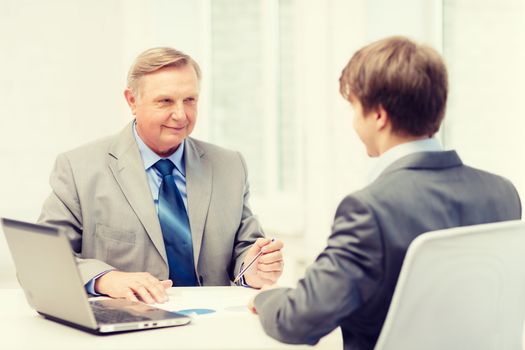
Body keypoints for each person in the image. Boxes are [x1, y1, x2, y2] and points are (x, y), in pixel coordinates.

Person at [249, 36, 521, 350]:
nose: (353, 123)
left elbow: (298, 320)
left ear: (378, 115)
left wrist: (266, 297)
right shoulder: (502, 193)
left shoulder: (369, 210)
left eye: (354, 108)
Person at [38, 47, 284, 304]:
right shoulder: (79, 168)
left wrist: (254, 268)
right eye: (165, 101)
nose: (180, 115)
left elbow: (246, 248)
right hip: (129, 328)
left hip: (212, 325)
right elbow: (43, 259)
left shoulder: (230, 166)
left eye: (189, 100)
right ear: (132, 101)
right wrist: (105, 279)